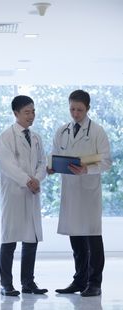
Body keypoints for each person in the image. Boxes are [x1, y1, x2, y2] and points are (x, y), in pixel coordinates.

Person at [48, 89, 112, 297]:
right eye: (72, 109)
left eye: (79, 109)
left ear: (88, 108)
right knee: (76, 239)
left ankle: (94, 283)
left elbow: (106, 161)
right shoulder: (62, 131)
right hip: (71, 190)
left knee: (92, 238)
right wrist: (51, 167)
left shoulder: (97, 131)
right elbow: (55, 155)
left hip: (88, 191)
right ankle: (79, 280)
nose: (75, 114)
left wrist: (87, 169)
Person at [0, 95, 48, 297]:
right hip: (15, 194)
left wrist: (37, 179)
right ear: (16, 113)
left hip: (31, 193)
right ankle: (6, 284)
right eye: (27, 112)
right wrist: (28, 181)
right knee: (9, 239)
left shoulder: (36, 138)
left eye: (33, 111)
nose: (31, 115)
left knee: (31, 239)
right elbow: (8, 166)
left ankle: (28, 283)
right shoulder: (6, 137)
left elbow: (42, 163)